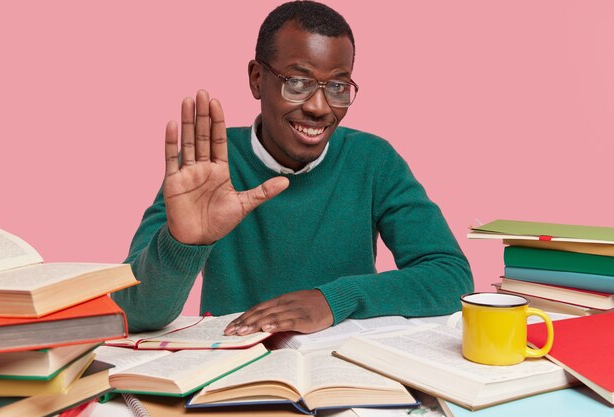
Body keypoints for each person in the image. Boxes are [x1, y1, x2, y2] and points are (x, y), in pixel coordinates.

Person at [113, 0, 473, 334]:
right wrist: (184, 243)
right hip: (230, 370)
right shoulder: (206, 169)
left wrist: (333, 300)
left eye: (337, 85)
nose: (319, 106)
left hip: (345, 370)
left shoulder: (373, 160)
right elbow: (136, 312)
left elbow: (451, 276)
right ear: (257, 79)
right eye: (297, 82)